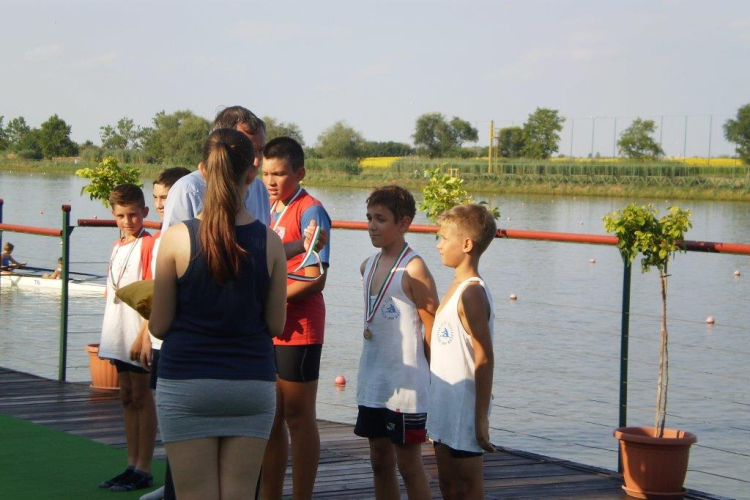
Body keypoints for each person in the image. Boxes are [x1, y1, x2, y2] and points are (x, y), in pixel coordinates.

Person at [149, 128, 288, 500]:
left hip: (187, 383)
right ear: (252, 172)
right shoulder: (270, 242)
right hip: (251, 384)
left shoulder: (176, 238)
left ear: (203, 171)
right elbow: (276, 325)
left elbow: (159, 326)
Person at [355, 185, 439, 500]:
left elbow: (431, 327)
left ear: (403, 223)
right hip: (374, 381)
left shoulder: (414, 268)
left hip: (407, 385)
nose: (372, 226)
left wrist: (435, 379)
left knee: (409, 464)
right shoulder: (367, 265)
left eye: (381, 219)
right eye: (368, 218)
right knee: (379, 461)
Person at [261, 137, 331, 500]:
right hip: (268, 325)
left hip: (299, 327)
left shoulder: (311, 210)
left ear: (299, 172)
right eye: (267, 172)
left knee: (298, 419)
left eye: (281, 173)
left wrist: (268, 301)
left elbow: (317, 277)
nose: (272, 180)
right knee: (270, 419)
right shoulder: (268, 208)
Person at [161, 106, 324, 260]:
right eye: (248, 149)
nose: (256, 160)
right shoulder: (188, 190)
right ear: (221, 143)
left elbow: (261, 254)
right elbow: (171, 257)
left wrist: (302, 244)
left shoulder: (259, 189)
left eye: (261, 150)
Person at [427, 204, 498, 500]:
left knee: (468, 489)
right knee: (447, 486)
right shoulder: (455, 285)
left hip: (464, 408)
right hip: (444, 403)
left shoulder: (472, 292)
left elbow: (484, 357)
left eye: (444, 238)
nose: (439, 245)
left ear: (467, 244)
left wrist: (480, 418)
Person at [129, 166, 190, 500]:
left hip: (176, 337)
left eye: (166, 197)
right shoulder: (167, 233)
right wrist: (144, 332)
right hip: (159, 335)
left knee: (178, 419)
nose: (162, 203)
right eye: (157, 198)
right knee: (167, 414)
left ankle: (176, 486)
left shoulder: (179, 236)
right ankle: (171, 484)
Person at [97, 184, 157, 492]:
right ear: (113, 215)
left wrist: (144, 333)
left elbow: (153, 293)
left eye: (133, 215)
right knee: (126, 397)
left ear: (144, 213)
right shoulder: (117, 245)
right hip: (117, 330)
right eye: (121, 215)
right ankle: (130, 462)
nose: (127, 221)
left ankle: (143, 467)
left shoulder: (149, 244)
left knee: (142, 397)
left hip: (137, 332)